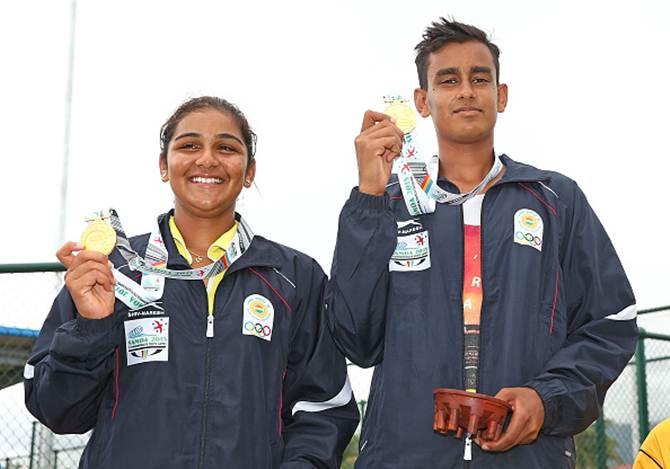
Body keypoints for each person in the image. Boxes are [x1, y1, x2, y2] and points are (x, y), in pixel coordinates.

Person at [326, 19, 638, 468]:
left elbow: (612, 321)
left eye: (480, 78)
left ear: (501, 95)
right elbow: (355, 338)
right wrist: (369, 197)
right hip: (406, 456)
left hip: (529, 458)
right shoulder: (387, 205)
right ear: (423, 101)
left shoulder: (556, 200)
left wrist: (545, 399)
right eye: (448, 80)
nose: (466, 91)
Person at [24, 96, 359, 468]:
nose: (207, 159)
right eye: (189, 145)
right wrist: (91, 328)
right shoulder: (110, 272)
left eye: (227, 148)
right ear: (164, 165)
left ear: (249, 171)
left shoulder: (294, 276)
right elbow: (57, 411)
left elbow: (323, 409)